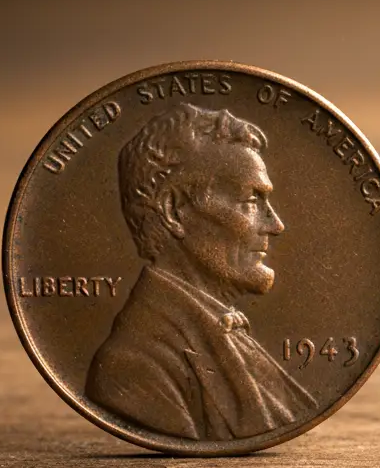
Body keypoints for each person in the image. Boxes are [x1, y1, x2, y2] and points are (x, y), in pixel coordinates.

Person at [86, 103, 315, 440]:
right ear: (175, 211)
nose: (275, 225)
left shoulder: (221, 331)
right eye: (251, 201)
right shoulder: (131, 368)